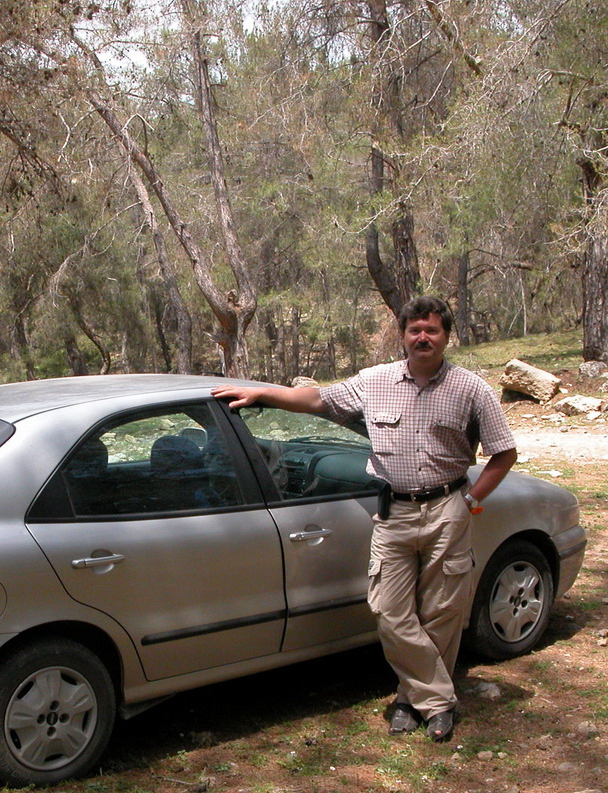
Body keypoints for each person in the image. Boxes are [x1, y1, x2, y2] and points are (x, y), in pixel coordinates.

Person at [211, 295, 517, 742]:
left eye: (432, 330)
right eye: (415, 330)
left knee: (441, 611)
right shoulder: (374, 381)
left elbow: (503, 452)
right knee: (389, 610)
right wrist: (263, 393)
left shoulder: (471, 389)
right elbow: (318, 399)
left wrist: (471, 500)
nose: (423, 337)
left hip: (447, 509)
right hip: (394, 510)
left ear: (446, 336)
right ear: (403, 336)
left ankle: (414, 702)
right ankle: (437, 699)